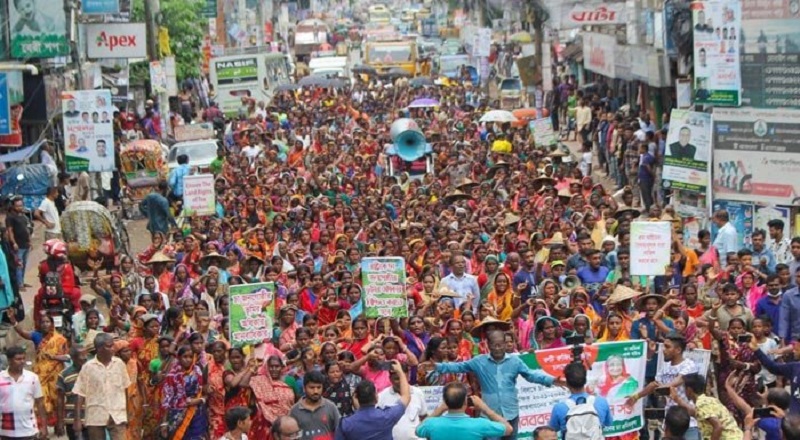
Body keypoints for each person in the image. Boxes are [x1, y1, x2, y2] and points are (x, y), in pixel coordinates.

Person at [433, 331, 564, 439]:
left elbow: (531, 375)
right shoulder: (479, 361)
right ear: (488, 345)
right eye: (494, 345)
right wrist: (436, 366)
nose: (497, 348)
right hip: (489, 415)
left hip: (511, 412)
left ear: (505, 344)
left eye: (500, 345)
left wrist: (552, 380)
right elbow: (458, 366)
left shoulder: (515, 361)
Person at [626, 333, 699, 440]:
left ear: (678, 350)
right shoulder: (665, 367)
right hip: (670, 423)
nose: (663, 350)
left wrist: (659, 388)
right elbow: (653, 385)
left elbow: (677, 381)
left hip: (688, 422)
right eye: (664, 346)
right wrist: (636, 397)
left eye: (667, 347)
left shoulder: (689, 365)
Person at [72, 333, 131, 440]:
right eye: (109, 346)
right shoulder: (88, 367)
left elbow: (125, 388)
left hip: (117, 414)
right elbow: (80, 393)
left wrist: (127, 413)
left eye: (113, 345)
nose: (113, 349)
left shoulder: (119, 364)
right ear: (99, 348)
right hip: (95, 415)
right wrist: (77, 419)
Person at [336, 361, 409, 440]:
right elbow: (406, 397)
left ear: (356, 397)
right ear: (376, 397)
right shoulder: (387, 416)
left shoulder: (345, 423)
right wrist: (400, 372)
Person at [415, 382, 511, 440]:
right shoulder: (480, 424)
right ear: (466, 401)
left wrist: (440, 410)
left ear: (445, 401)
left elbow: (418, 430)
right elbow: (508, 429)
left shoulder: (431, 424)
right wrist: (485, 408)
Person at [548, 362, 612, 437]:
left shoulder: (559, 408)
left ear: (567, 383)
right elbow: (608, 423)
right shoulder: (601, 402)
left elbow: (552, 429)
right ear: (585, 381)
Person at [671, 373, 742, 439]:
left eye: (684, 388)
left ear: (689, 390)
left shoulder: (701, 404)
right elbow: (695, 413)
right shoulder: (709, 400)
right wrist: (676, 399)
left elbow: (718, 427)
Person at [0, 346, 49, 440]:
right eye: (18, 359)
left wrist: (44, 426)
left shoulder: (32, 378)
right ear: (9, 360)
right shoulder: (1, 378)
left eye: (23, 358)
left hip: (29, 430)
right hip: (6, 430)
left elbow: (40, 403)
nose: (22, 361)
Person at [377, 363, 426, 440]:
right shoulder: (381, 396)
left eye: (403, 377)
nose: (400, 381)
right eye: (397, 378)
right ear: (390, 379)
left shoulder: (418, 393)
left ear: (408, 376)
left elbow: (423, 416)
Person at [289, 370, 340, 440]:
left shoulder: (331, 407)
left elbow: (339, 431)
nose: (316, 391)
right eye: (312, 387)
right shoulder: (295, 411)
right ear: (304, 388)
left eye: (319, 387)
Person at [56, 345, 88, 440]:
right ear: (73, 358)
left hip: (91, 417)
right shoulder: (64, 375)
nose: (85, 358)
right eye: (82, 356)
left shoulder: (92, 370)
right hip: (72, 419)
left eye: (86, 355)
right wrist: (60, 421)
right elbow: (60, 399)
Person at [5, 196, 31, 290]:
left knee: (24, 264)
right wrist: (14, 243)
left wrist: (29, 241)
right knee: (19, 265)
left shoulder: (23, 216)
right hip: (18, 245)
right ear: (13, 206)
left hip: (25, 244)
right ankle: (19, 284)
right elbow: (10, 231)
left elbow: (26, 229)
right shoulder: (10, 217)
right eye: (17, 206)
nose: (20, 207)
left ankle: (22, 281)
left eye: (21, 205)